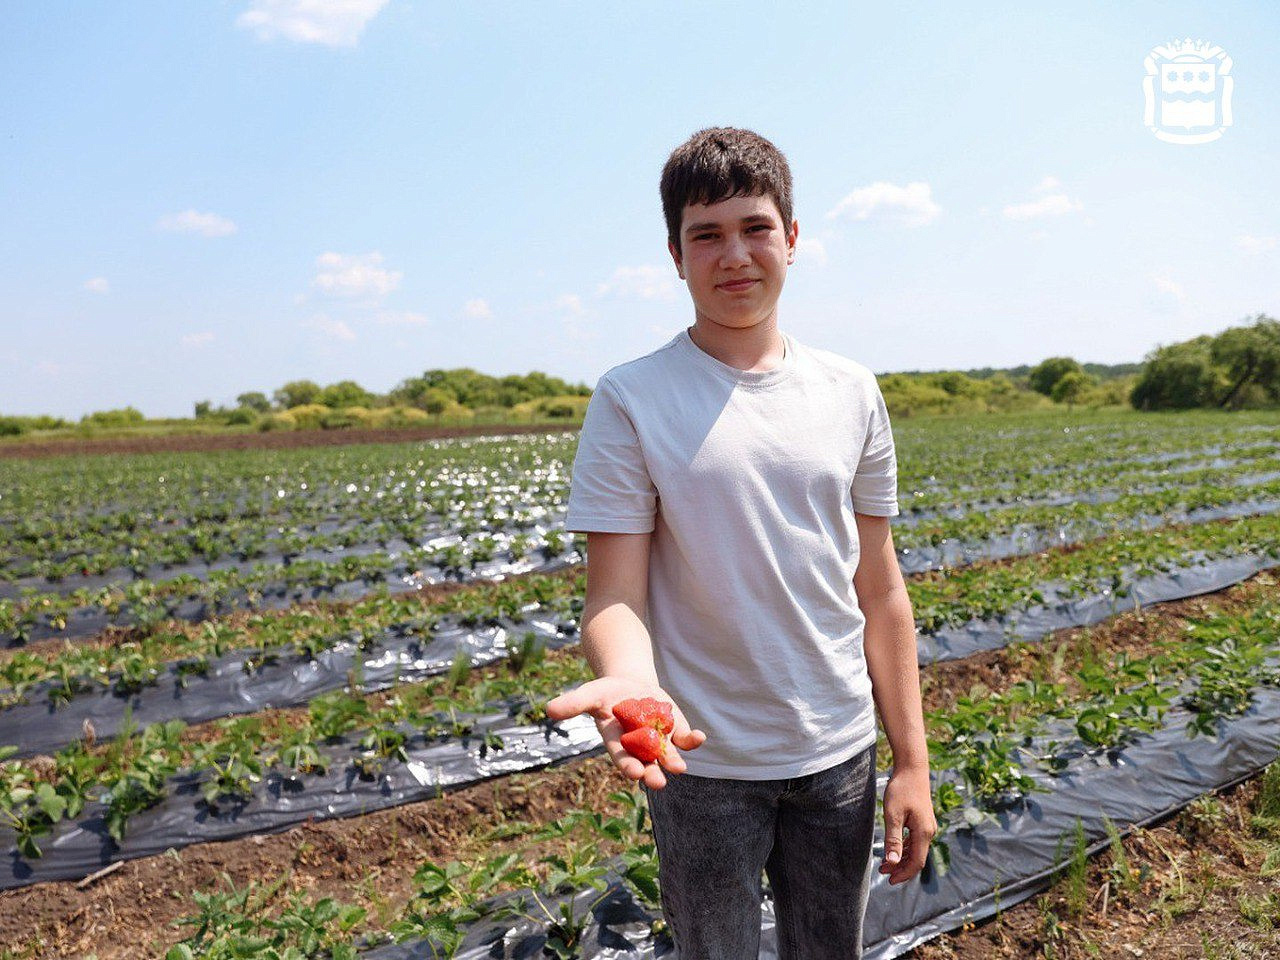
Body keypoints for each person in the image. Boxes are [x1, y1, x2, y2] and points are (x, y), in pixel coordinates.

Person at [545, 126, 936, 959]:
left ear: (792, 238)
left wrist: (911, 761)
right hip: (704, 765)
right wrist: (629, 681)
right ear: (676, 255)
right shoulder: (632, 398)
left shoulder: (851, 392)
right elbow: (615, 593)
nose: (734, 255)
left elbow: (881, 589)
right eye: (706, 235)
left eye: (755, 227)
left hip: (837, 754)